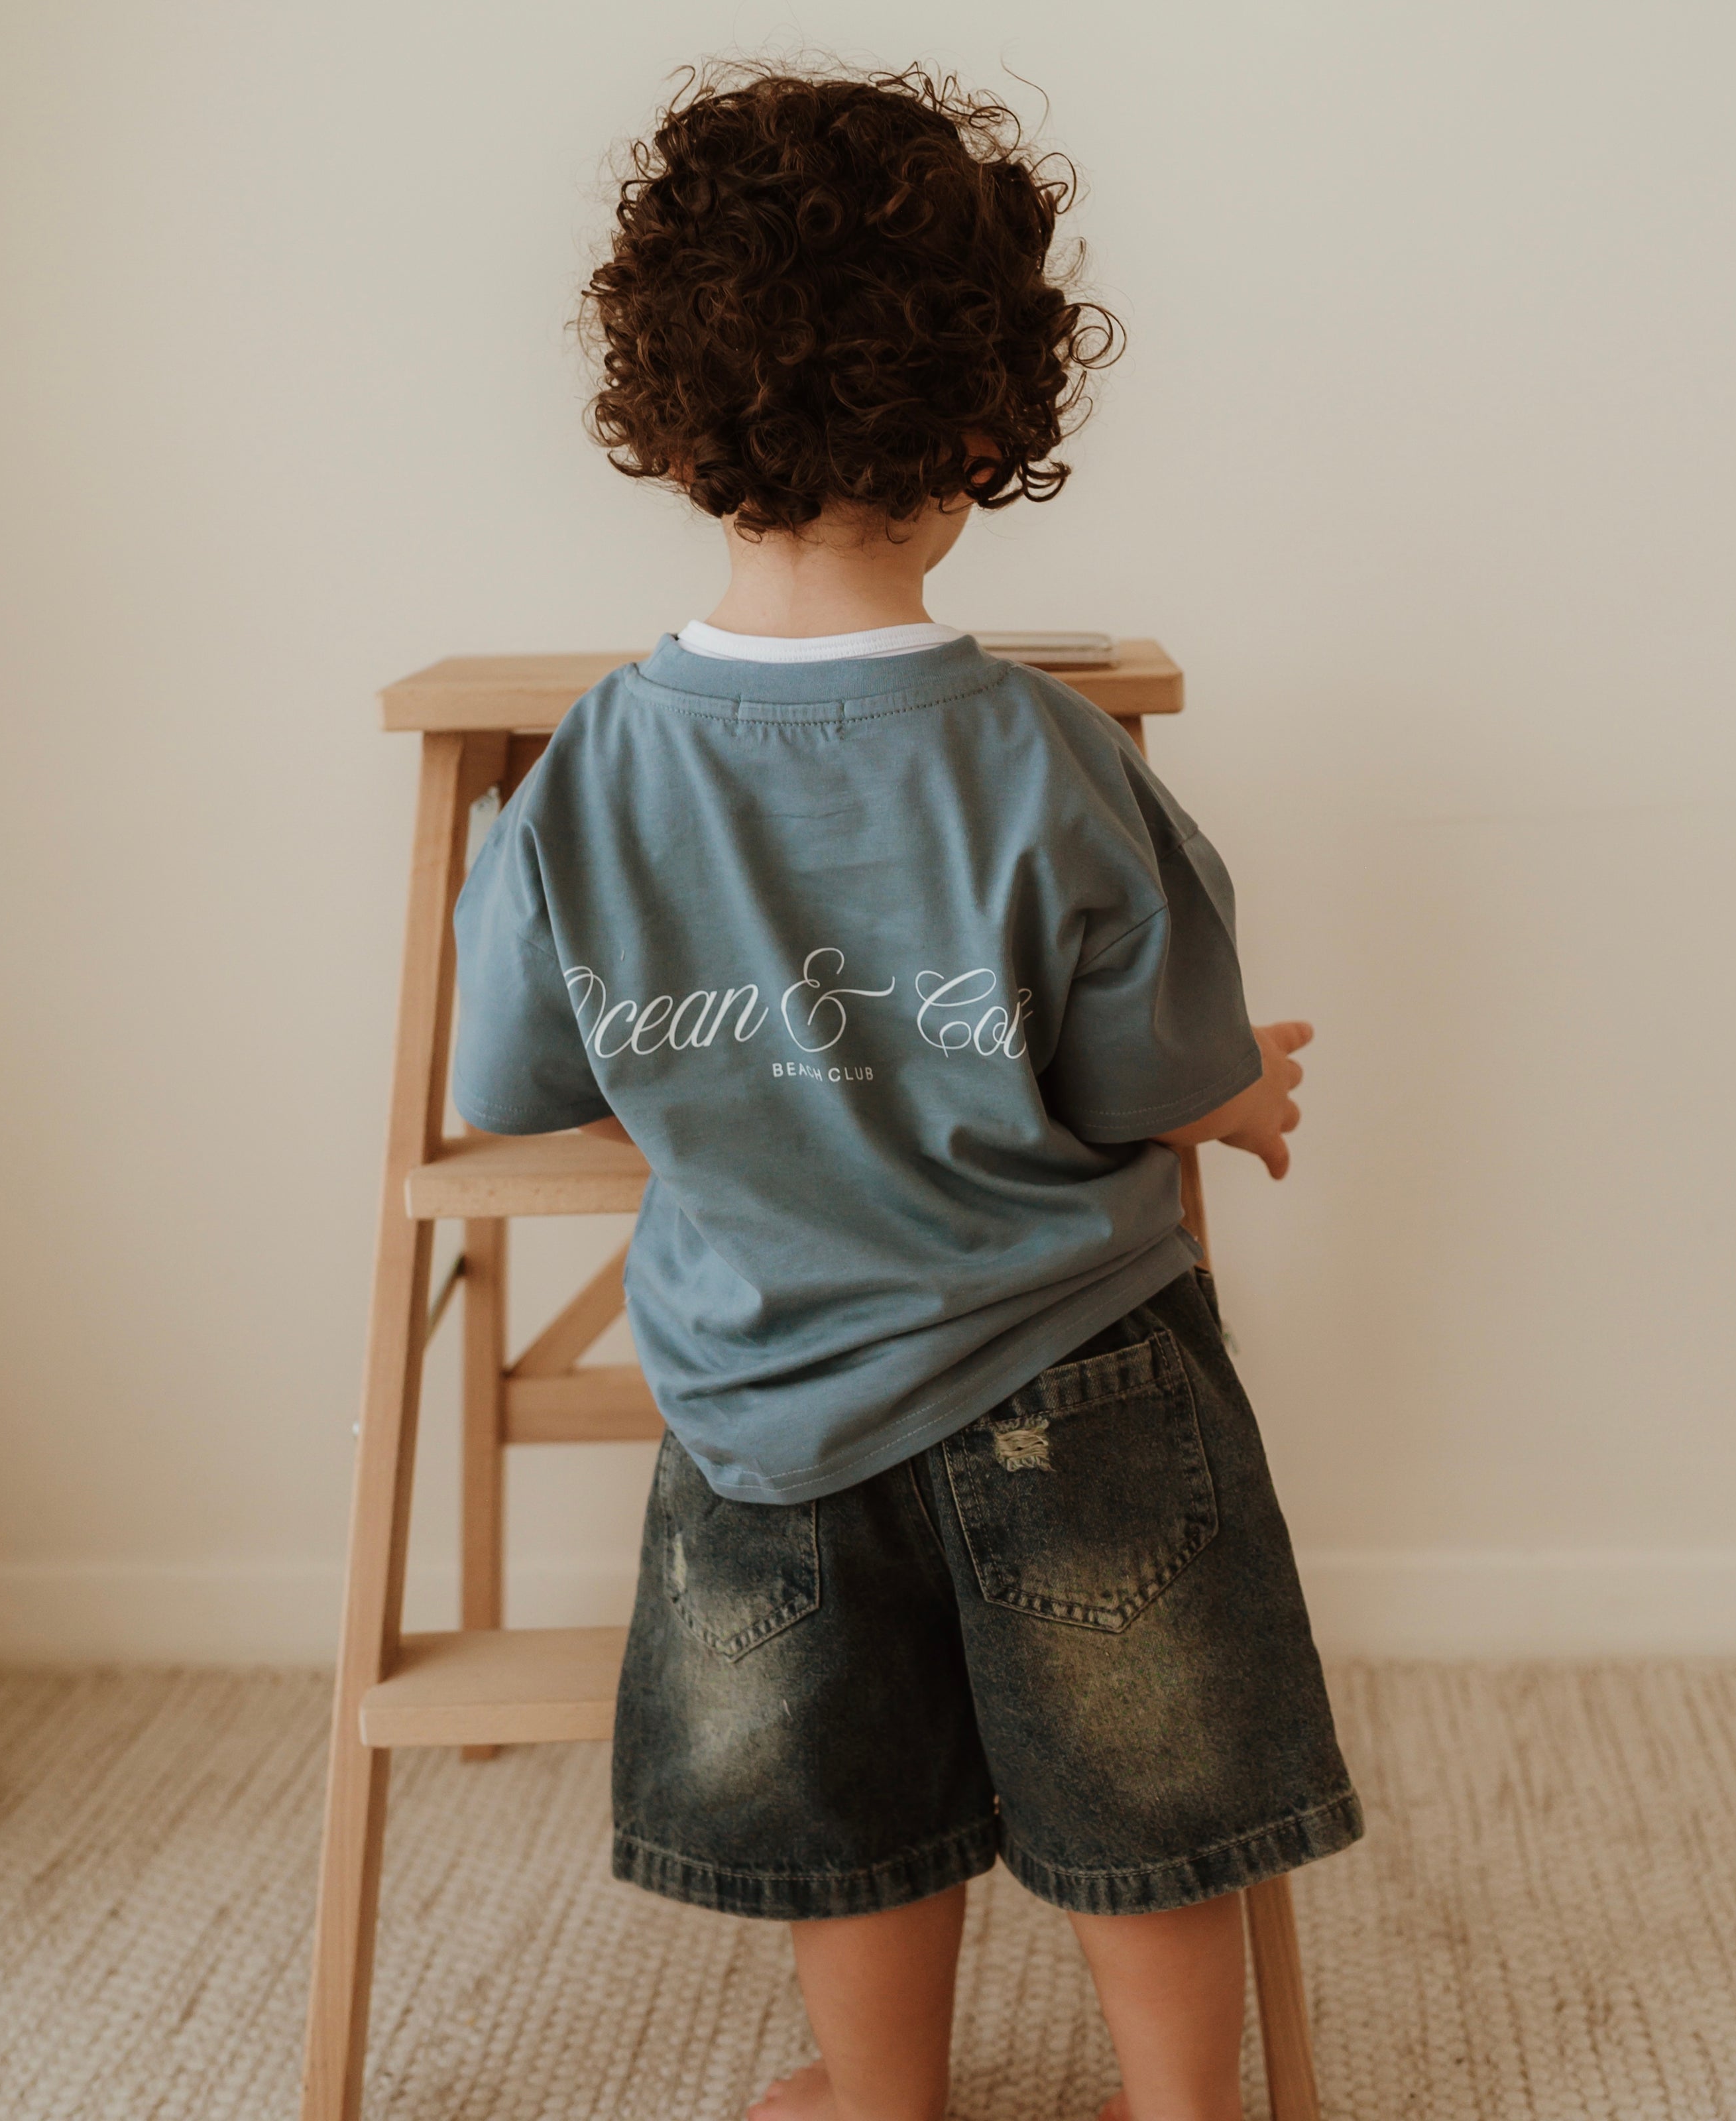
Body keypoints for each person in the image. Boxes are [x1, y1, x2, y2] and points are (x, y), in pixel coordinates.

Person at [450, 60, 1361, 2121]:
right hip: (1081, 1356)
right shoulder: (1049, 756)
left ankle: (880, 2103)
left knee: (846, 1793)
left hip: (767, 1385)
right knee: (1148, 1773)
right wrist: (1227, 1097)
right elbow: (1142, 1066)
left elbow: (511, 1078)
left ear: (677, 430)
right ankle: (1186, 2109)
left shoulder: (585, 777)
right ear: (984, 427)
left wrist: (751, 1070)